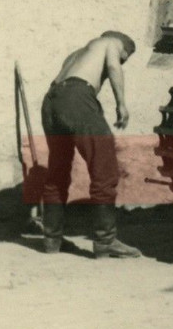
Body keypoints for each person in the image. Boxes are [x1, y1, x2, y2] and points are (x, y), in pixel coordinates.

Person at [39, 31, 143, 258]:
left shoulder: (76, 55)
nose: (122, 61)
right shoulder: (109, 43)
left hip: (51, 101)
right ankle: (106, 241)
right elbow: (115, 68)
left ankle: (51, 240)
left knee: (58, 171)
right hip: (77, 98)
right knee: (105, 167)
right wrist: (121, 104)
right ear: (123, 47)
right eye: (126, 57)